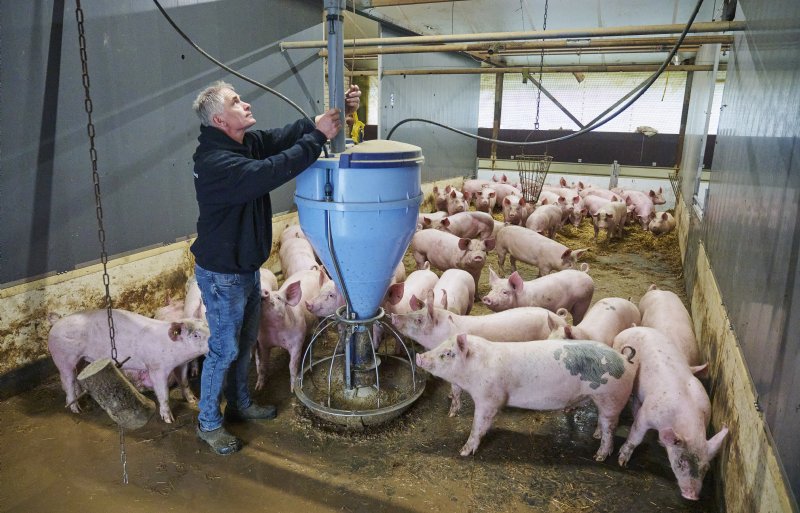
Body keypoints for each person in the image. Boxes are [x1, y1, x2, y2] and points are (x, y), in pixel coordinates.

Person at [190, 80, 361, 455]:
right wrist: (318, 136)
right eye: (237, 101)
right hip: (222, 275)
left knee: (244, 343)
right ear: (220, 118)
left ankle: (239, 402)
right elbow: (272, 170)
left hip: (246, 269)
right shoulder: (217, 163)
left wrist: (330, 117)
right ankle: (208, 422)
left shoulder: (239, 144)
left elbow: (278, 139)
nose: (246, 103)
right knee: (223, 349)